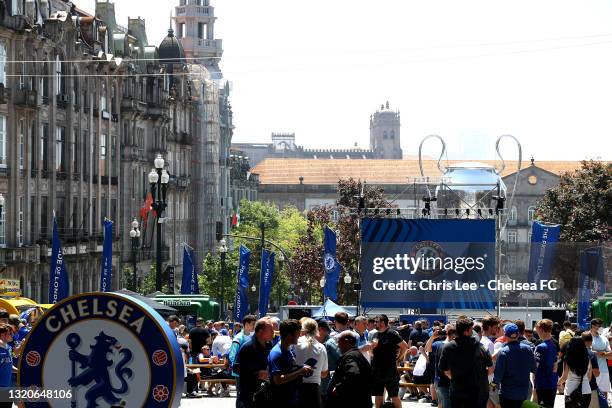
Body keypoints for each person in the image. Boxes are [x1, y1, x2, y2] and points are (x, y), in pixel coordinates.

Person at [439, 317, 492, 408]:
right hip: (477, 391)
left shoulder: (448, 347)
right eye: (471, 329)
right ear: (466, 331)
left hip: (457, 390)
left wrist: (456, 378)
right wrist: (480, 377)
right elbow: (490, 369)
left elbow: (444, 369)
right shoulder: (481, 347)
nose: (472, 332)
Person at [268, 319, 313, 407]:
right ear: (289, 335)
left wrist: (301, 368)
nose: (299, 336)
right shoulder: (277, 353)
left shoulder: (289, 349)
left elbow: (288, 370)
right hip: (280, 400)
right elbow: (278, 380)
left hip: (291, 398)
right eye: (297, 333)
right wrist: (300, 371)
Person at [492, 323, 536, 408]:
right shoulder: (528, 349)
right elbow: (534, 368)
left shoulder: (503, 352)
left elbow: (498, 376)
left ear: (505, 335)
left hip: (508, 394)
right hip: (524, 393)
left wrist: (491, 386)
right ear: (518, 334)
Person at [234, 318, 274, 408]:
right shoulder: (247, 347)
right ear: (260, 331)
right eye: (270, 330)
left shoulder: (269, 345)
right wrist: (257, 374)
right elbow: (236, 368)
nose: (273, 332)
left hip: (264, 393)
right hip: (248, 395)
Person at [370, 314, 409, 408]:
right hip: (377, 370)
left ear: (383, 322)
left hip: (389, 370)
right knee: (378, 395)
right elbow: (371, 352)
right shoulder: (375, 334)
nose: (375, 323)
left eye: (377, 321)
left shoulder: (391, 333)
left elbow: (405, 346)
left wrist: (398, 359)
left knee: (394, 395)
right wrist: (371, 348)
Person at [326, 330, 372, 408]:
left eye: (339, 341)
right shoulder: (356, 354)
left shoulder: (350, 356)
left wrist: (339, 388)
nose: (337, 345)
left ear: (346, 341)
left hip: (353, 402)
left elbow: (352, 373)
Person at [294, 318, 328, 408]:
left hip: (296, 387)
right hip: (313, 389)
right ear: (317, 330)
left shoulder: (294, 344)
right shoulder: (321, 347)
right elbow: (324, 373)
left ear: (302, 329)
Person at [558, 336, 592, 408]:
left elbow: (564, 377)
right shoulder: (587, 358)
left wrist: (557, 384)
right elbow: (589, 377)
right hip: (586, 391)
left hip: (571, 392)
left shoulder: (568, 359)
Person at [533, 319, 558, 408]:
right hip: (552, 383)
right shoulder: (553, 345)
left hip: (543, 384)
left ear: (542, 330)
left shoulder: (540, 347)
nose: (537, 333)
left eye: (537, 331)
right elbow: (555, 367)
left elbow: (534, 367)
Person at [316, 319, 341, 404]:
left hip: (329, 385)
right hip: (320, 385)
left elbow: (341, 359)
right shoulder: (317, 343)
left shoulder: (330, 343)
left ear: (320, 329)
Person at [589, 318, 611, 399]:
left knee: (604, 393)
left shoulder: (604, 338)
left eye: (601, 326)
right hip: (591, 370)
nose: (601, 328)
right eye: (599, 326)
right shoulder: (587, 337)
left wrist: (598, 353)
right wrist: (604, 353)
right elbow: (589, 353)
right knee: (591, 393)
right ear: (593, 326)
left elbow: (611, 355)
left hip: (604, 370)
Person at [581, 332, 601, 408]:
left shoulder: (573, 353)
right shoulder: (592, 354)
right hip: (590, 387)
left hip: (575, 388)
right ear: (591, 341)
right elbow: (596, 373)